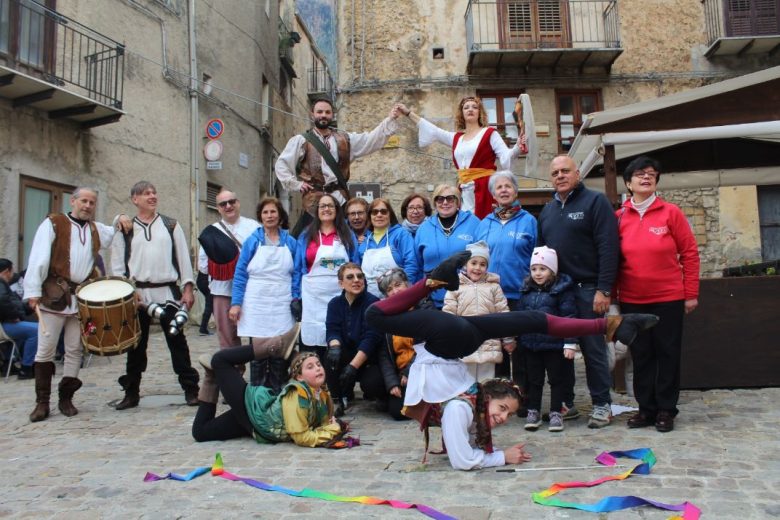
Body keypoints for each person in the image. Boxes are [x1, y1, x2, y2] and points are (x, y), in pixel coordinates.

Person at [365, 251, 658, 470]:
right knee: (534, 320)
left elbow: (463, 460)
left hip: (447, 338)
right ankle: (614, 325)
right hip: (454, 339)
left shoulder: (458, 409)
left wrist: (498, 457)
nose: (502, 419)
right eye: (504, 412)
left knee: (374, 315)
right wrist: (497, 455)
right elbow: (463, 452)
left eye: (503, 412)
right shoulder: (463, 407)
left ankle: (434, 280)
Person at [24, 188, 128, 421]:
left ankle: (66, 398)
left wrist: (120, 216)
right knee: (46, 349)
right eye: (84, 201)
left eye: (92, 202)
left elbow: (114, 232)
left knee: (74, 350)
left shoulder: (95, 229)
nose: (88, 205)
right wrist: (32, 292)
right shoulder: (54, 223)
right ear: (73, 201)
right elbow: (38, 257)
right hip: (54, 297)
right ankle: (42, 403)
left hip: (81, 298)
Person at [616, 157, 700, 433]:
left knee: (667, 353)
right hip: (632, 299)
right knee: (641, 355)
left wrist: (690, 293)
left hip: (668, 298)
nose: (646, 177)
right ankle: (646, 409)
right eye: (639, 174)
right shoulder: (618, 217)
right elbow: (613, 258)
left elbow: (689, 252)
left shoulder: (671, 212)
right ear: (628, 183)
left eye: (652, 174)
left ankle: (666, 410)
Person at [537, 155, 619, 429]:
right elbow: (543, 254)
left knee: (593, 349)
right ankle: (567, 403)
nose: (560, 176)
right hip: (559, 292)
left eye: (565, 171)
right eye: (555, 172)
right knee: (563, 350)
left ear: (578, 174)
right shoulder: (547, 210)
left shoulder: (595, 203)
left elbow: (609, 248)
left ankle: (601, 405)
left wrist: (604, 289)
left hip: (589, 289)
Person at [110, 181, 200, 410]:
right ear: (135, 199)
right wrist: (127, 292)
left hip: (168, 291)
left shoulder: (170, 225)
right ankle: (132, 393)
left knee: (177, 341)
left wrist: (188, 288)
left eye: (154, 192)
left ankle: (191, 389)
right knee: (136, 346)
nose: (152, 196)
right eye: (145, 193)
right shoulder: (126, 229)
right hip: (138, 293)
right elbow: (118, 264)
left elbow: (183, 258)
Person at [275, 99, 401, 235]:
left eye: (327, 112)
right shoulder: (301, 140)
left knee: (353, 235)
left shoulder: (345, 139)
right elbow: (282, 164)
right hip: (314, 201)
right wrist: (297, 185)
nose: (323, 115)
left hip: (340, 199)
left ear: (332, 115)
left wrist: (390, 119)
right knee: (304, 238)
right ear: (312, 114)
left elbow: (370, 140)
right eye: (320, 112)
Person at [397, 98, 524, 219]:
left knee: (484, 223)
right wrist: (409, 113)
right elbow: (434, 131)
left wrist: (518, 147)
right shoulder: (456, 138)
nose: (470, 109)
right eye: (466, 107)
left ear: (480, 113)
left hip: (484, 188)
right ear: (461, 113)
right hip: (463, 188)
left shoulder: (490, 133)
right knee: (464, 224)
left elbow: (506, 156)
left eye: (475, 107)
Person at [192, 349, 343, 447]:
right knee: (219, 360)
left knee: (200, 432)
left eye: (318, 364)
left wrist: (331, 425)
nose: (317, 368)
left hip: (258, 426)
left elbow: (321, 424)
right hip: (253, 409)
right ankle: (272, 345)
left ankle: (211, 377)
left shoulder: (322, 393)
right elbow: (302, 437)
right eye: (310, 367)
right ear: (299, 377)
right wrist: (333, 430)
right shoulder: (296, 395)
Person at [229, 197, 299, 393]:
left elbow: (297, 273)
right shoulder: (252, 241)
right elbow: (240, 273)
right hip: (256, 300)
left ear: (280, 216)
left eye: (273, 212)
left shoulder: (291, 243)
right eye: (265, 212)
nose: (269, 216)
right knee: (258, 349)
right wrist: (236, 303)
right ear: (260, 216)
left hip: (281, 300)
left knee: (280, 348)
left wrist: (295, 297)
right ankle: (257, 393)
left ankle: (278, 391)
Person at [476, 170, 537, 386]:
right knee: (497, 348)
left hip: (519, 294)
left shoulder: (529, 221)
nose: (503, 190)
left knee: (522, 348)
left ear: (515, 190)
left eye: (507, 186)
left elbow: (537, 257)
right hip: (491, 294)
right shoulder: (484, 223)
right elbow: (475, 257)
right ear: (493, 194)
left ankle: (524, 395)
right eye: (498, 187)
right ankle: (500, 395)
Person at [517, 246, 577, 433]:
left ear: (552, 270)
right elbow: (520, 316)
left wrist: (570, 342)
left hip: (554, 344)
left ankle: (556, 412)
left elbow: (569, 318)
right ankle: (533, 410)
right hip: (532, 345)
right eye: (534, 269)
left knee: (556, 380)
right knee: (534, 380)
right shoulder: (526, 290)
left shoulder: (562, 291)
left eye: (542, 269)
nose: (538, 273)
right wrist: (516, 337)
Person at [295, 194, 360, 358]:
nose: (326, 209)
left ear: (337, 210)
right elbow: (297, 269)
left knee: (338, 345)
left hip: (341, 299)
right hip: (312, 301)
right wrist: (295, 297)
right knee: (312, 351)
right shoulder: (306, 235)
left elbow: (355, 265)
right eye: (322, 206)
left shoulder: (347, 234)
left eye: (330, 206)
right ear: (317, 211)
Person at [197, 189, 260, 351]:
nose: (228, 206)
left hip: (252, 289)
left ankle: (259, 373)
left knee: (259, 334)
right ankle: (233, 373)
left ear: (238, 203)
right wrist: (223, 264)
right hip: (222, 290)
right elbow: (203, 265)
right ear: (218, 208)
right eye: (223, 204)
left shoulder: (254, 227)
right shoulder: (211, 232)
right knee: (227, 338)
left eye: (232, 202)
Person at [442, 241, 513, 382]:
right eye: (473, 263)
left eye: (482, 264)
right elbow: (448, 314)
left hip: (489, 343)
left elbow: (503, 313)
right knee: (465, 384)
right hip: (464, 343)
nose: (477, 268)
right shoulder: (455, 287)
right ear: (465, 265)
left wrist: (509, 338)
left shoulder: (494, 287)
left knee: (486, 383)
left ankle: (485, 404)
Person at [325, 263, 385, 417]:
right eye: (350, 277)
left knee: (373, 384)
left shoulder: (374, 303)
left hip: (368, 359)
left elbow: (371, 338)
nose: (356, 280)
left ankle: (378, 396)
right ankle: (338, 399)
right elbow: (332, 330)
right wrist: (335, 347)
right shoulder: (334, 304)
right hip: (346, 353)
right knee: (331, 356)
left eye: (360, 276)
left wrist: (353, 367)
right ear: (341, 283)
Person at [414, 185, 480, 308]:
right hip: (433, 299)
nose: (445, 202)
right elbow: (417, 265)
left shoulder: (474, 223)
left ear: (458, 201)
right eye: (440, 199)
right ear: (435, 202)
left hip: (467, 299)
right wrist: (419, 297)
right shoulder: (424, 228)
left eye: (450, 198)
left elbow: (483, 259)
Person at [375, 268, 420, 421]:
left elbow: (427, 346)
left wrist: (410, 372)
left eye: (398, 285)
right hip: (399, 372)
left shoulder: (423, 308)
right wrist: (392, 383)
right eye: (389, 289)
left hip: (422, 367)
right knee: (398, 412)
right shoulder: (385, 317)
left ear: (407, 284)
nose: (395, 291)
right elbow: (384, 355)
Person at [359, 198, 418, 297]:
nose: (379, 215)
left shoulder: (401, 234)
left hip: (399, 296)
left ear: (390, 215)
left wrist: (405, 292)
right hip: (373, 300)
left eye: (383, 211)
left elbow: (412, 264)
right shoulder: (364, 243)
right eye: (374, 212)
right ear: (370, 216)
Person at [0, 258, 37, 379]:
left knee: (26, 330)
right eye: (12, 271)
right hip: (4, 325)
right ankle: (26, 368)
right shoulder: (0, 283)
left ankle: (8, 365)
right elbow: (3, 302)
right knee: (37, 330)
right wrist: (14, 316)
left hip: (5, 322)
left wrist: (29, 308)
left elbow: (13, 303)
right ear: (6, 271)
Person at [195, 271, 214, 336]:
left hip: (202, 279)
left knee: (211, 303)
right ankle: (203, 328)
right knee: (210, 303)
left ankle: (219, 324)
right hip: (206, 280)